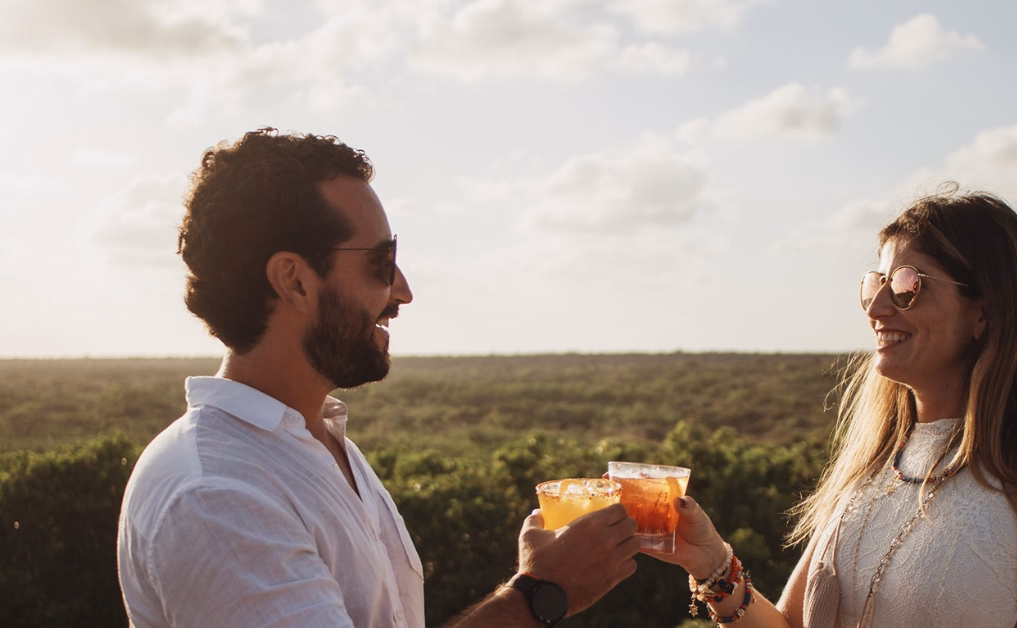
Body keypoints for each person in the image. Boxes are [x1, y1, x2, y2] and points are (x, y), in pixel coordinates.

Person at [116, 128, 639, 628]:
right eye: (380, 264)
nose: (403, 291)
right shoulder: (215, 493)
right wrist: (541, 593)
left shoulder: (317, 445)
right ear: (294, 280)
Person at [649, 187, 1017, 627]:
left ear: (984, 312)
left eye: (906, 284)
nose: (876, 306)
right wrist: (710, 560)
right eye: (876, 282)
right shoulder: (872, 468)